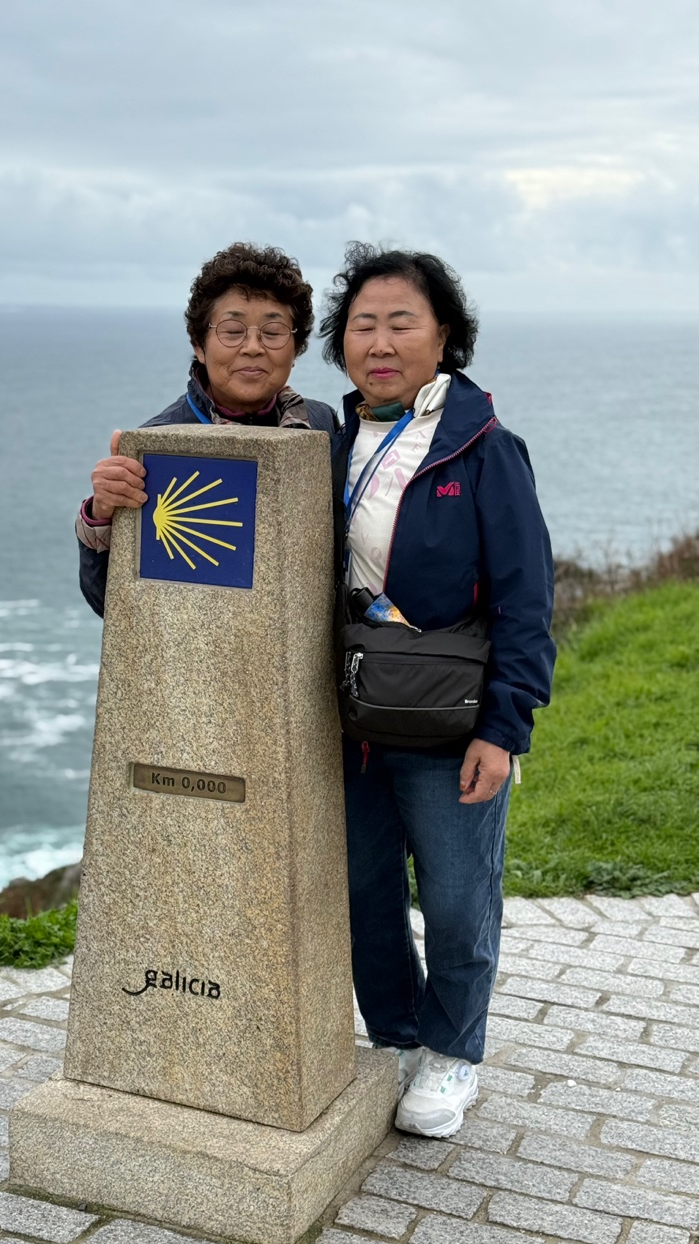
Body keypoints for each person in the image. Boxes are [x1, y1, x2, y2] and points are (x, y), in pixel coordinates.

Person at [319, 244, 555, 1138]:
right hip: (345, 719)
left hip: (448, 721)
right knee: (364, 894)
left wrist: (504, 728)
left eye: (400, 323)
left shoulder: (483, 449)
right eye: (362, 325)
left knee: (457, 899)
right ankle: (396, 1036)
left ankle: (453, 1053)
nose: (379, 343)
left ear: (443, 335)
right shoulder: (323, 443)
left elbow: (526, 600)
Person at [77, 243, 343, 614]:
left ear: (296, 348)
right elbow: (111, 604)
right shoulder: (159, 446)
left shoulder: (320, 424)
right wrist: (101, 511)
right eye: (232, 331)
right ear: (199, 345)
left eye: (273, 331)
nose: (253, 347)